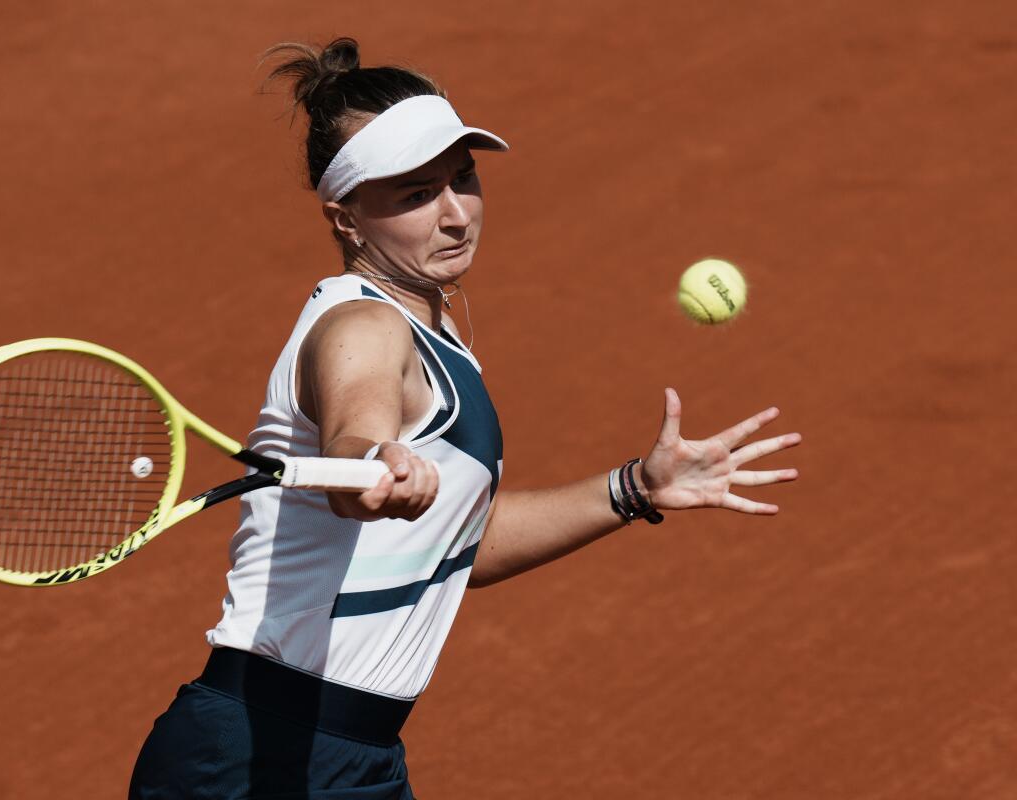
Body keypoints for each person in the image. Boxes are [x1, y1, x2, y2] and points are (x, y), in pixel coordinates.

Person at [129, 37, 801, 800]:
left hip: (348, 755)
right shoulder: (365, 330)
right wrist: (373, 466)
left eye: (462, 179)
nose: (455, 215)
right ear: (346, 221)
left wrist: (633, 489)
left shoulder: (436, 341)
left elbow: (451, 551)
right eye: (416, 195)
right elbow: (358, 436)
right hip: (262, 757)